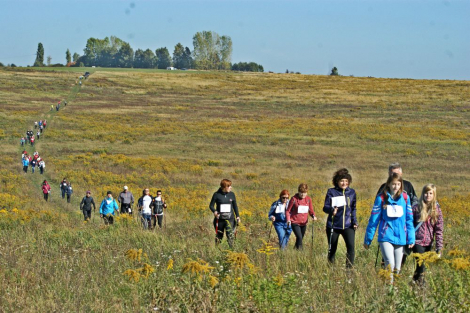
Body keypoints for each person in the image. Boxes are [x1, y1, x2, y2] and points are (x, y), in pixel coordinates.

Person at [364, 173, 415, 284]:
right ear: (388, 184)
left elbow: (409, 219)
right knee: (389, 264)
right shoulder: (381, 198)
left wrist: (411, 238)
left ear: (401, 185)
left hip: (401, 237)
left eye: (398, 184)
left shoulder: (405, 198)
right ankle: (389, 289)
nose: (395, 187)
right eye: (393, 184)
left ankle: (394, 290)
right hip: (385, 236)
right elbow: (374, 220)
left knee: (397, 268)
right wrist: (368, 239)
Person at [377, 162, 418, 266]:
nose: (394, 176)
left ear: (401, 174)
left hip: (401, 228)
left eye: (397, 173)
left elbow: (414, 202)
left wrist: (410, 215)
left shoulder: (408, 186)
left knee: (400, 259)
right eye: (392, 174)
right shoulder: (383, 187)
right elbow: (377, 206)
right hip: (387, 230)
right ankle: (386, 278)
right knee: (387, 260)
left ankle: (396, 277)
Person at [323, 168, 358, 267]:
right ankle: (330, 271)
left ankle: (349, 271)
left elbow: (353, 208)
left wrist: (354, 221)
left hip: (348, 225)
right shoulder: (331, 192)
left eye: (346, 181)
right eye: (342, 181)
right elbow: (325, 207)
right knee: (332, 249)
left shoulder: (352, 192)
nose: (344, 183)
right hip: (333, 225)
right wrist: (331, 210)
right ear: (337, 181)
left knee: (351, 248)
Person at [412, 184, 444, 286]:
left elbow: (439, 230)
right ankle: (422, 288)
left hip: (429, 242)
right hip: (417, 242)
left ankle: (413, 283)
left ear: (434, 195)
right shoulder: (416, 208)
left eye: (430, 193)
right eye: (426, 193)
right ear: (423, 194)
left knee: (421, 265)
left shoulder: (437, 210)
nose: (428, 195)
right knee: (421, 265)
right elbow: (408, 224)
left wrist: (439, 247)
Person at [209, 179, 241, 248]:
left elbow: (235, 206)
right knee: (219, 236)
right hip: (220, 220)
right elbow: (211, 206)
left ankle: (232, 251)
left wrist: (238, 216)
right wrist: (214, 211)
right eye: (229, 186)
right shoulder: (216, 195)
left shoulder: (232, 194)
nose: (231, 187)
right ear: (225, 187)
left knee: (230, 236)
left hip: (230, 219)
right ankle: (217, 251)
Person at [286, 183, 317, 250]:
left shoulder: (308, 199)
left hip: (304, 223)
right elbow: (288, 211)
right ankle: (301, 252)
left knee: (300, 239)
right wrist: (288, 220)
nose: (303, 195)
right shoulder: (294, 199)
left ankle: (294, 250)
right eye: (301, 193)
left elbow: (311, 210)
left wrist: (313, 216)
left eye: (305, 193)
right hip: (295, 222)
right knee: (299, 237)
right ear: (298, 192)